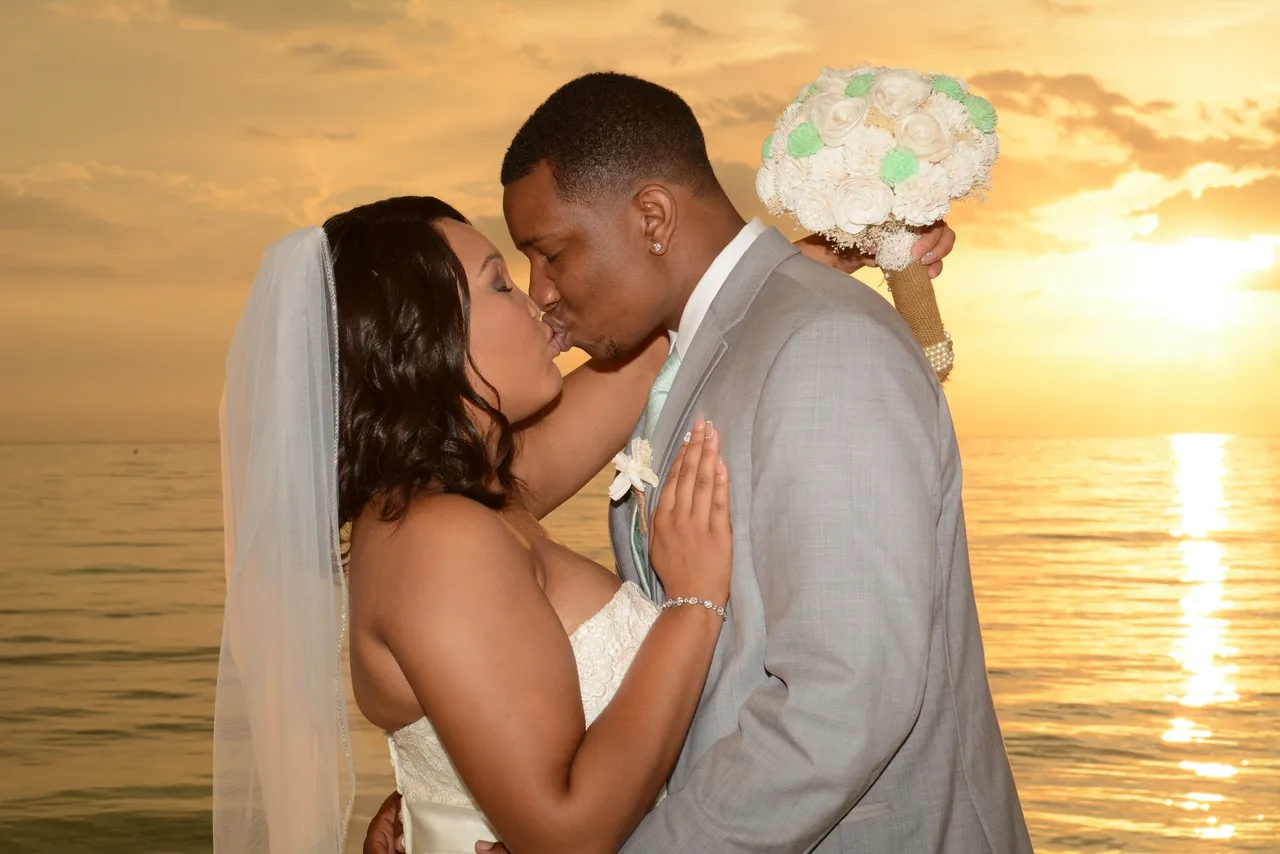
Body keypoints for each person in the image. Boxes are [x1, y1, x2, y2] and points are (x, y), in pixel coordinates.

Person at [362, 71, 1033, 853]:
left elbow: (846, 703)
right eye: (505, 279)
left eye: (546, 255)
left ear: (651, 216)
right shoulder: (463, 499)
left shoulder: (823, 350)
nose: (539, 293)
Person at [214, 190, 951, 853]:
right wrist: (693, 604)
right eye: (500, 283)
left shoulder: (479, 496)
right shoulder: (438, 541)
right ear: (422, 338)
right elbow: (567, 832)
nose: (538, 304)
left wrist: (838, 248)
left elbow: (686, 326)